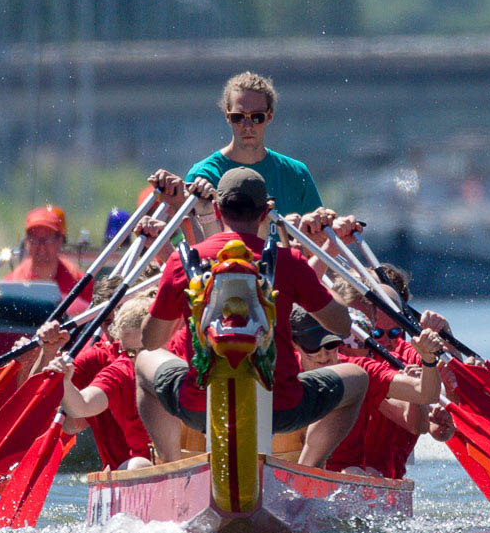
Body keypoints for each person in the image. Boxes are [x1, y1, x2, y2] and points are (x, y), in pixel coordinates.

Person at [134, 166, 371, 469]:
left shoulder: (182, 261)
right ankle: (307, 470)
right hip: (280, 406)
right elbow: (341, 324)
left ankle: (170, 466)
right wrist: (311, 275)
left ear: (217, 209)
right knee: (358, 379)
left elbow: (151, 340)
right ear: (264, 213)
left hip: (200, 405)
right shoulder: (289, 261)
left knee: (144, 360)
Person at [291, 306, 452, 480]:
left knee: (357, 472)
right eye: (313, 347)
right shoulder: (282, 366)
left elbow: (425, 398)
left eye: (330, 345)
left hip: (362, 473)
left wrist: (428, 360)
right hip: (291, 457)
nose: (323, 355)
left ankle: (302, 481)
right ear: (295, 345)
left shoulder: (358, 372)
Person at [31, 291, 157, 471]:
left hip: (186, 460)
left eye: (146, 350)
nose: (139, 360)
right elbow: (78, 407)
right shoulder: (119, 369)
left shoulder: (184, 350)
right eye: (131, 352)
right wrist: (61, 376)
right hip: (136, 467)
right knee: (139, 465)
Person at [184, 71, 322, 217]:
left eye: (257, 117)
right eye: (238, 117)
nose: (248, 126)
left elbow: (319, 230)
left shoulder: (296, 174)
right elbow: (189, 230)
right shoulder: (202, 176)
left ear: (269, 116)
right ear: (227, 117)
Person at [7, 205, 79, 296]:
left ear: (60, 241)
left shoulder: (80, 285)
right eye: (35, 239)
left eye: (48, 239)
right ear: (26, 241)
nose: (41, 246)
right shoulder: (11, 284)